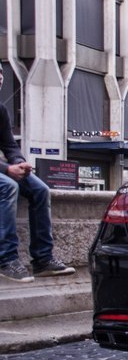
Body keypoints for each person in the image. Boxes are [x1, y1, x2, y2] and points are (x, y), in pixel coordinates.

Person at [0, 69, 75, 282]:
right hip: (2, 174)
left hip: (4, 169)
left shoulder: (1, 111)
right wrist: (7, 170)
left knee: (40, 189)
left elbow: (9, 145)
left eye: (1, 73)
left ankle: (43, 259)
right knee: (8, 186)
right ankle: (6, 259)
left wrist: (18, 162)